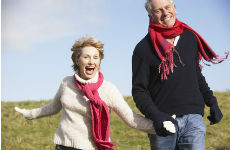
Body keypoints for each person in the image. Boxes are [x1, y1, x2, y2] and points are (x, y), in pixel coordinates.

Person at [15, 37, 175, 150]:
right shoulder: (66, 83)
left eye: (96, 57)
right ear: (77, 60)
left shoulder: (108, 89)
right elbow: (53, 107)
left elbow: (131, 119)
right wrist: (30, 113)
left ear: (100, 61)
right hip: (64, 146)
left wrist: (159, 126)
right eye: (86, 57)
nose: (91, 61)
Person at [131, 0, 228, 150]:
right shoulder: (143, 49)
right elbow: (139, 91)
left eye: (168, 7)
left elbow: (196, 75)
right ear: (150, 15)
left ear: (174, 8)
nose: (165, 13)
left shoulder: (190, 38)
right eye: (158, 10)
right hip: (163, 123)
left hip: (193, 120)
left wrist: (212, 102)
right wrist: (156, 116)